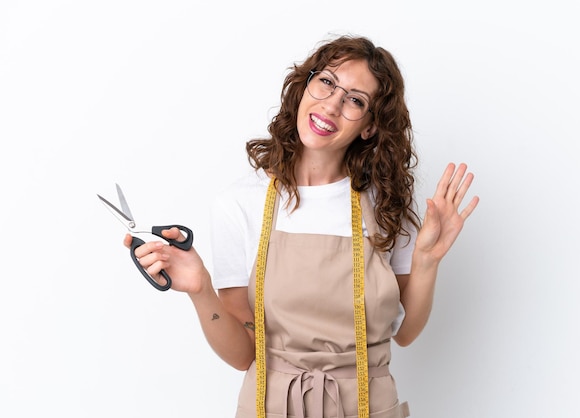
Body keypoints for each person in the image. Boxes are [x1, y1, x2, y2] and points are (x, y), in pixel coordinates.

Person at [125, 34, 479, 418]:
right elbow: (244, 355)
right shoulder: (240, 203)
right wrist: (200, 289)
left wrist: (426, 262)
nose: (332, 105)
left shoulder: (388, 204)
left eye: (356, 100)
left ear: (370, 128)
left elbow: (406, 333)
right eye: (327, 82)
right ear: (304, 86)